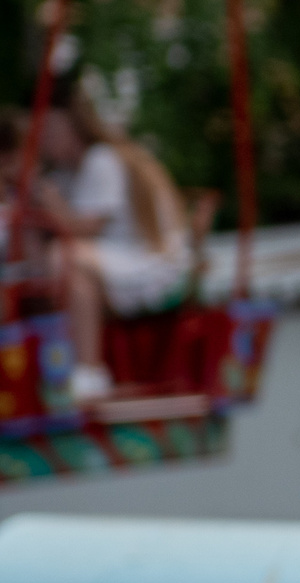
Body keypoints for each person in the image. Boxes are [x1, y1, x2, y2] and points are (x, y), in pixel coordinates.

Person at [30, 80, 193, 399]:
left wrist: (48, 203)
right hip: (127, 261)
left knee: (65, 258)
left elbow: (85, 229)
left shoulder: (100, 160)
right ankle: (86, 368)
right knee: (69, 270)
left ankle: (89, 369)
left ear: (71, 127)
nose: (43, 143)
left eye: (48, 132)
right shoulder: (71, 172)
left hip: (150, 264)